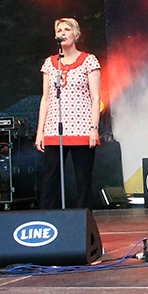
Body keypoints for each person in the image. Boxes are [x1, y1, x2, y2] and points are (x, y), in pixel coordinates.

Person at [35, 18, 101, 209]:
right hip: (54, 129)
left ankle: (83, 220)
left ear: (76, 34)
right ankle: (48, 220)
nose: (62, 32)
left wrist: (93, 128)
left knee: (83, 180)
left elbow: (96, 98)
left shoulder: (89, 60)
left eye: (67, 29)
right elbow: (45, 99)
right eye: (59, 30)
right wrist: (40, 131)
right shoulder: (50, 63)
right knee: (50, 179)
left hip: (82, 127)